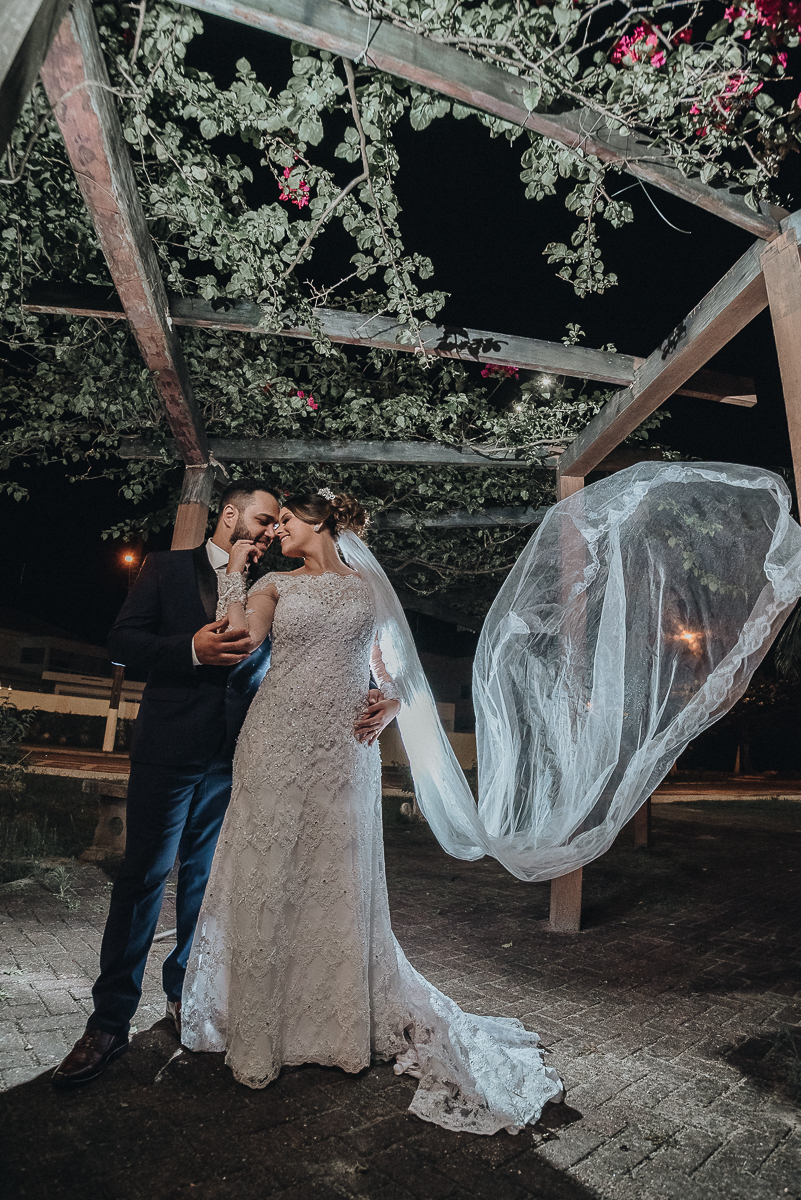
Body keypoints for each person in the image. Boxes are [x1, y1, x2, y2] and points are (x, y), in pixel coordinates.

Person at [181, 488, 563, 1135]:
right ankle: (257, 1028)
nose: (277, 531)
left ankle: (332, 1026)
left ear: (321, 521)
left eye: (288, 521)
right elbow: (239, 641)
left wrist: (387, 701)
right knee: (265, 874)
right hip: (272, 742)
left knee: (336, 880)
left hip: (342, 753)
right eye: (273, 524)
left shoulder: (367, 589)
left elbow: (397, 671)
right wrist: (235, 579)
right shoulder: (274, 585)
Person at [52, 479, 282, 1087]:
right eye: (262, 520)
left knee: (205, 885)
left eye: (276, 524)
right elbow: (122, 642)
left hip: (233, 759)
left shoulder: (269, 589)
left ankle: (187, 996)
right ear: (228, 515)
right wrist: (189, 649)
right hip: (168, 750)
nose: (270, 533)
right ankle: (108, 1022)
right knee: (143, 878)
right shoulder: (166, 567)